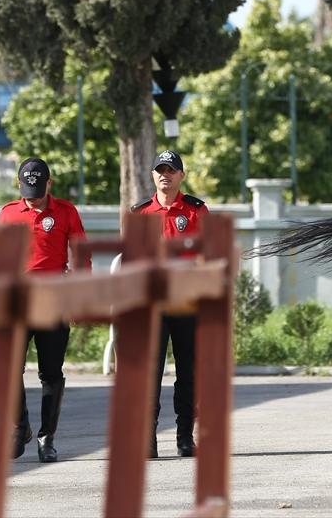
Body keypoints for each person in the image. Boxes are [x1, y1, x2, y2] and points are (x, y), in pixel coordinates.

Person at [0, 157, 88, 463]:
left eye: (37, 188)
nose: (31, 195)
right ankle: (18, 427)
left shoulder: (65, 212)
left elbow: (81, 257)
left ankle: (46, 437)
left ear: (49, 184)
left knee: (51, 373)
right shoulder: (9, 214)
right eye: (26, 188)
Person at [132, 149, 209, 458]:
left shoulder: (196, 211)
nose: (165, 174)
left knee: (188, 372)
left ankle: (184, 437)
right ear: (153, 175)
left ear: (181, 175)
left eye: (171, 170)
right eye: (160, 170)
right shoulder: (140, 214)